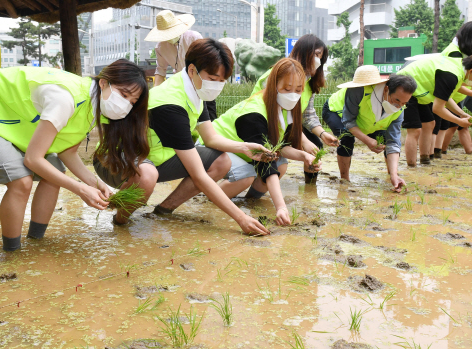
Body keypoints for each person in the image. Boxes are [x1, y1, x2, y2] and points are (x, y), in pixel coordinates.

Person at [0, 60, 150, 252]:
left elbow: (68, 152)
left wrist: (97, 185)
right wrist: (80, 189)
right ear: (103, 82)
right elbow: (33, 159)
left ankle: (37, 242)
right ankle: (12, 253)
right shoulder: (66, 99)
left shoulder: (94, 106)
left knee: (54, 172)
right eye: (123, 95)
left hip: (15, 119)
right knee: (21, 180)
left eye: (131, 102)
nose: (125, 105)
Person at [94, 39, 269, 235]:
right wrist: (241, 218)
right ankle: (120, 221)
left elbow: (210, 138)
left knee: (221, 161)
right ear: (193, 70)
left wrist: (244, 147)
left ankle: (163, 210)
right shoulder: (171, 104)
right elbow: (199, 176)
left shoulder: (195, 91)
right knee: (147, 176)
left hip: (155, 158)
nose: (217, 86)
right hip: (116, 160)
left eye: (222, 81)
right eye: (212, 78)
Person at [212, 58, 320, 224]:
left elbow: (279, 148)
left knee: (281, 163)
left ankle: (250, 200)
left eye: (298, 90)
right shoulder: (254, 113)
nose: (293, 94)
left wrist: (304, 156)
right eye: (286, 88)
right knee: (246, 176)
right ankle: (212, 197)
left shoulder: (285, 109)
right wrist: (281, 207)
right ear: (273, 85)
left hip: (245, 152)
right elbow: (265, 162)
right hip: (217, 147)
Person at [251, 34, 338, 184]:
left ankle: (310, 188)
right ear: (304, 52)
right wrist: (302, 140)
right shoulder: (276, 75)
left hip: (288, 125)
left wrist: (323, 134)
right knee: (278, 160)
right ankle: (259, 186)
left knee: (315, 145)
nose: (318, 60)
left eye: (320, 57)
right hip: (267, 123)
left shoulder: (308, 81)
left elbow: (308, 115)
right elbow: (281, 114)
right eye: (316, 54)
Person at [322, 66, 415, 191]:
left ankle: (392, 176)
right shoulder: (358, 90)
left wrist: (395, 175)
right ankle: (345, 180)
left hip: (367, 122)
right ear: (386, 90)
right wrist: (368, 141)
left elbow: (393, 141)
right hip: (336, 112)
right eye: (397, 100)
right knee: (347, 137)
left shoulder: (399, 111)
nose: (399, 105)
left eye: (404, 103)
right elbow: (348, 121)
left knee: (385, 139)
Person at [398, 54, 472, 166]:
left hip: (419, 90)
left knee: (429, 123)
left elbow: (446, 98)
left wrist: (462, 114)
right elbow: (438, 109)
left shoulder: (458, 70)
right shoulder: (451, 75)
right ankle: (412, 166)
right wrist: (459, 121)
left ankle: (425, 161)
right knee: (414, 129)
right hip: (405, 86)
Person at [145, 10, 218, 121]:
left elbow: (207, 62)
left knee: (209, 117)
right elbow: (160, 71)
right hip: (182, 86)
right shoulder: (160, 47)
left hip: (202, 82)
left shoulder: (194, 38)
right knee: (184, 117)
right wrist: (154, 94)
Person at [430, 22, 472, 158]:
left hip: (450, 95)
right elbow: (457, 81)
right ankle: (431, 155)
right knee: (436, 125)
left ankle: (437, 154)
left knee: (444, 125)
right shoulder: (455, 54)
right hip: (445, 93)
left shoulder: (460, 52)